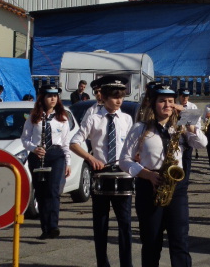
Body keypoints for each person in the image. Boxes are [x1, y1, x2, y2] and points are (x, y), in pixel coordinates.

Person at [119, 83, 207, 267]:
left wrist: (188, 118)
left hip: (176, 187)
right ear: (153, 103)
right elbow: (124, 160)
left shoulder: (181, 126)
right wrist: (147, 174)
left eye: (170, 101)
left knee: (180, 241)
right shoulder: (140, 128)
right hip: (149, 185)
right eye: (162, 101)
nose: (167, 105)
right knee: (151, 242)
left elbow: (202, 143)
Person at [70, 76, 134, 267]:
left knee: (125, 225)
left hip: (122, 175)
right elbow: (74, 142)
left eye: (121, 96)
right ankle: (102, 263)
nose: (119, 100)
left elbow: (132, 145)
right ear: (104, 97)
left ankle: (127, 264)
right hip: (102, 175)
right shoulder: (94, 118)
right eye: (114, 96)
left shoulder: (127, 119)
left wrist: (136, 156)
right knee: (101, 225)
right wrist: (91, 159)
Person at [20, 84, 71, 240]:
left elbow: (65, 143)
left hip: (56, 155)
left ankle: (53, 226)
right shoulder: (33, 117)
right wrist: (34, 148)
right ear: (42, 98)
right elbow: (25, 139)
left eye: (55, 96)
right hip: (38, 156)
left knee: (53, 190)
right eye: (49, 96)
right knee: (41, 192)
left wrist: (68, 162)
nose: (53, 99)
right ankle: (45, 228)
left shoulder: (62, 117)